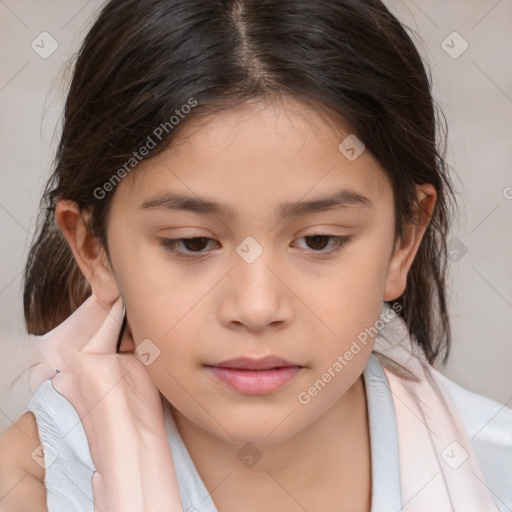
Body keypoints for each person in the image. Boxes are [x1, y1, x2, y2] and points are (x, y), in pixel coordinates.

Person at [0, 0, 510, 511]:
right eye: (193, 243)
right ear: (95, 249)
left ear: (404, 241)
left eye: (319, 241)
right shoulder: (28, 490)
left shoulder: (495, 471)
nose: (258, 307)